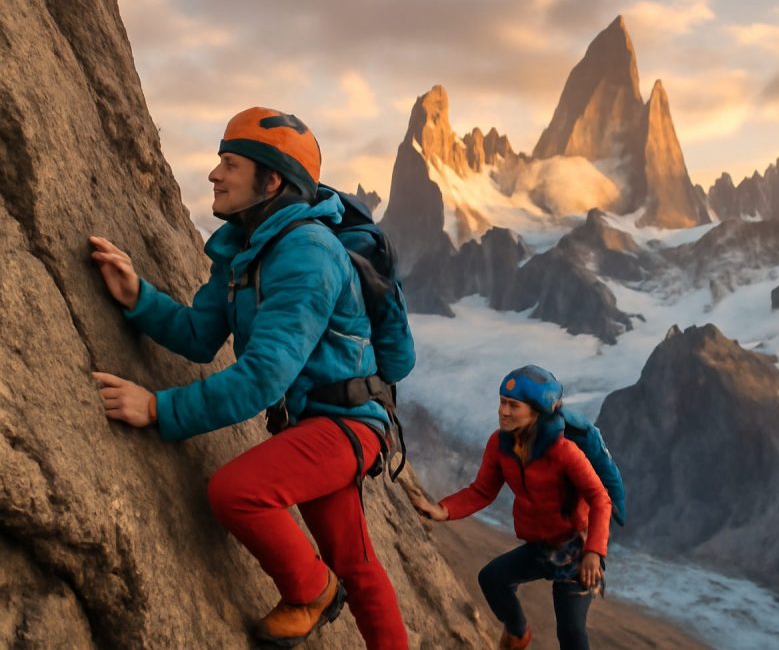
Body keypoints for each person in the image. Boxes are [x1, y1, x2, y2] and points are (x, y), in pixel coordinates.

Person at [89, 107, 413, 649]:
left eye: (230, 164)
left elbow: (263, 377)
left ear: (272, 180)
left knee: (237, 492)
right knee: (356, 564)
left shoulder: (307, 254)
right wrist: (136, 297)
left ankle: (312, 592)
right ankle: (324, 590)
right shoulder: (244, 249)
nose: (215, 174)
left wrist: (158, 409)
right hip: (315, 425)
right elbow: (199, 335)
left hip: (346, 426)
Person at [409, 365, 612, 650]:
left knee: (571, 633)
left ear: (537, 413)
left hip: (576, 552)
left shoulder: (565, 453)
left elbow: (600, 498)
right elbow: (482, 490)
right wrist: (443, 510)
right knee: (492, 578)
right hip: (540, 547)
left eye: (513, 405)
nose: (503, 411)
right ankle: (518, 633)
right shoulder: (500, 445)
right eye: (502, 402)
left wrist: (594, 552)